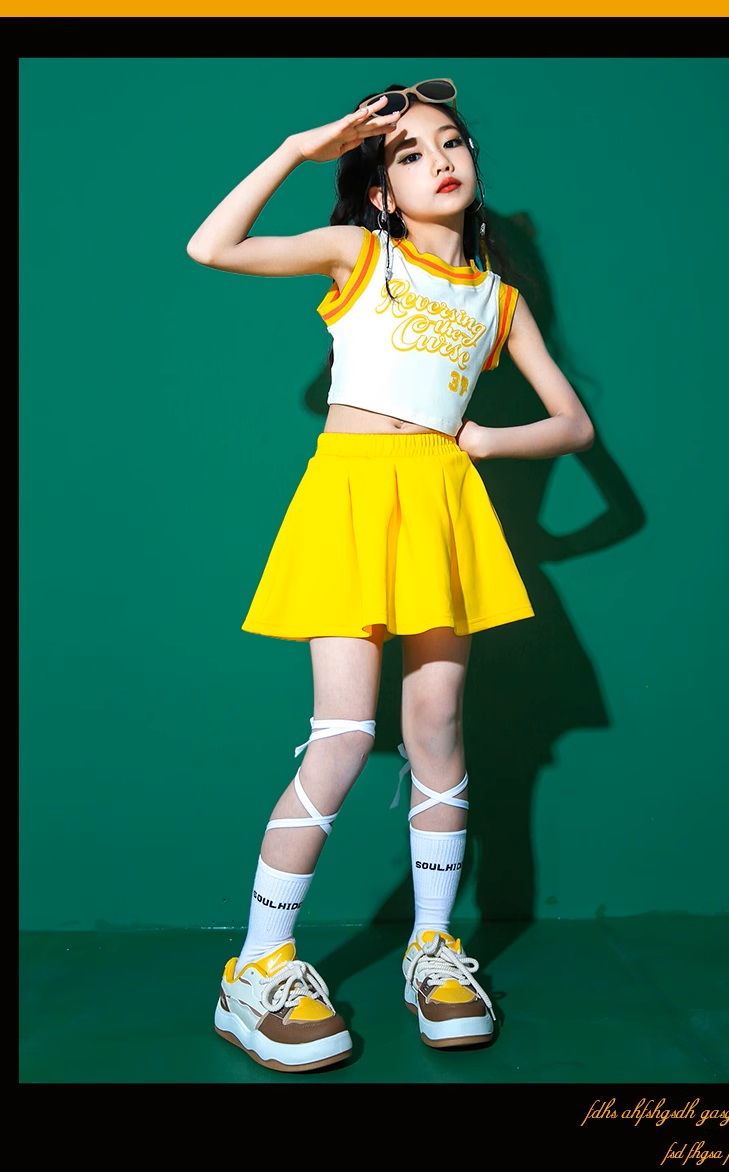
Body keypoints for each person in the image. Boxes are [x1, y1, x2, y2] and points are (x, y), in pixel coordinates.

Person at [186, 78, 594, 1074]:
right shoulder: (359, 253)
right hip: (351, 498)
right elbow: (211, 247)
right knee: (339, 738)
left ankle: (432, 952)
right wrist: (300, 147)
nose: (439, 160)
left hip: (442, 508)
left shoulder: (497, 301)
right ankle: (257, 968)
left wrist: (483, 441)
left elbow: (573, 425)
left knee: (438, 729)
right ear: (380, 189)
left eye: (451, 142)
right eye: (409, 152)